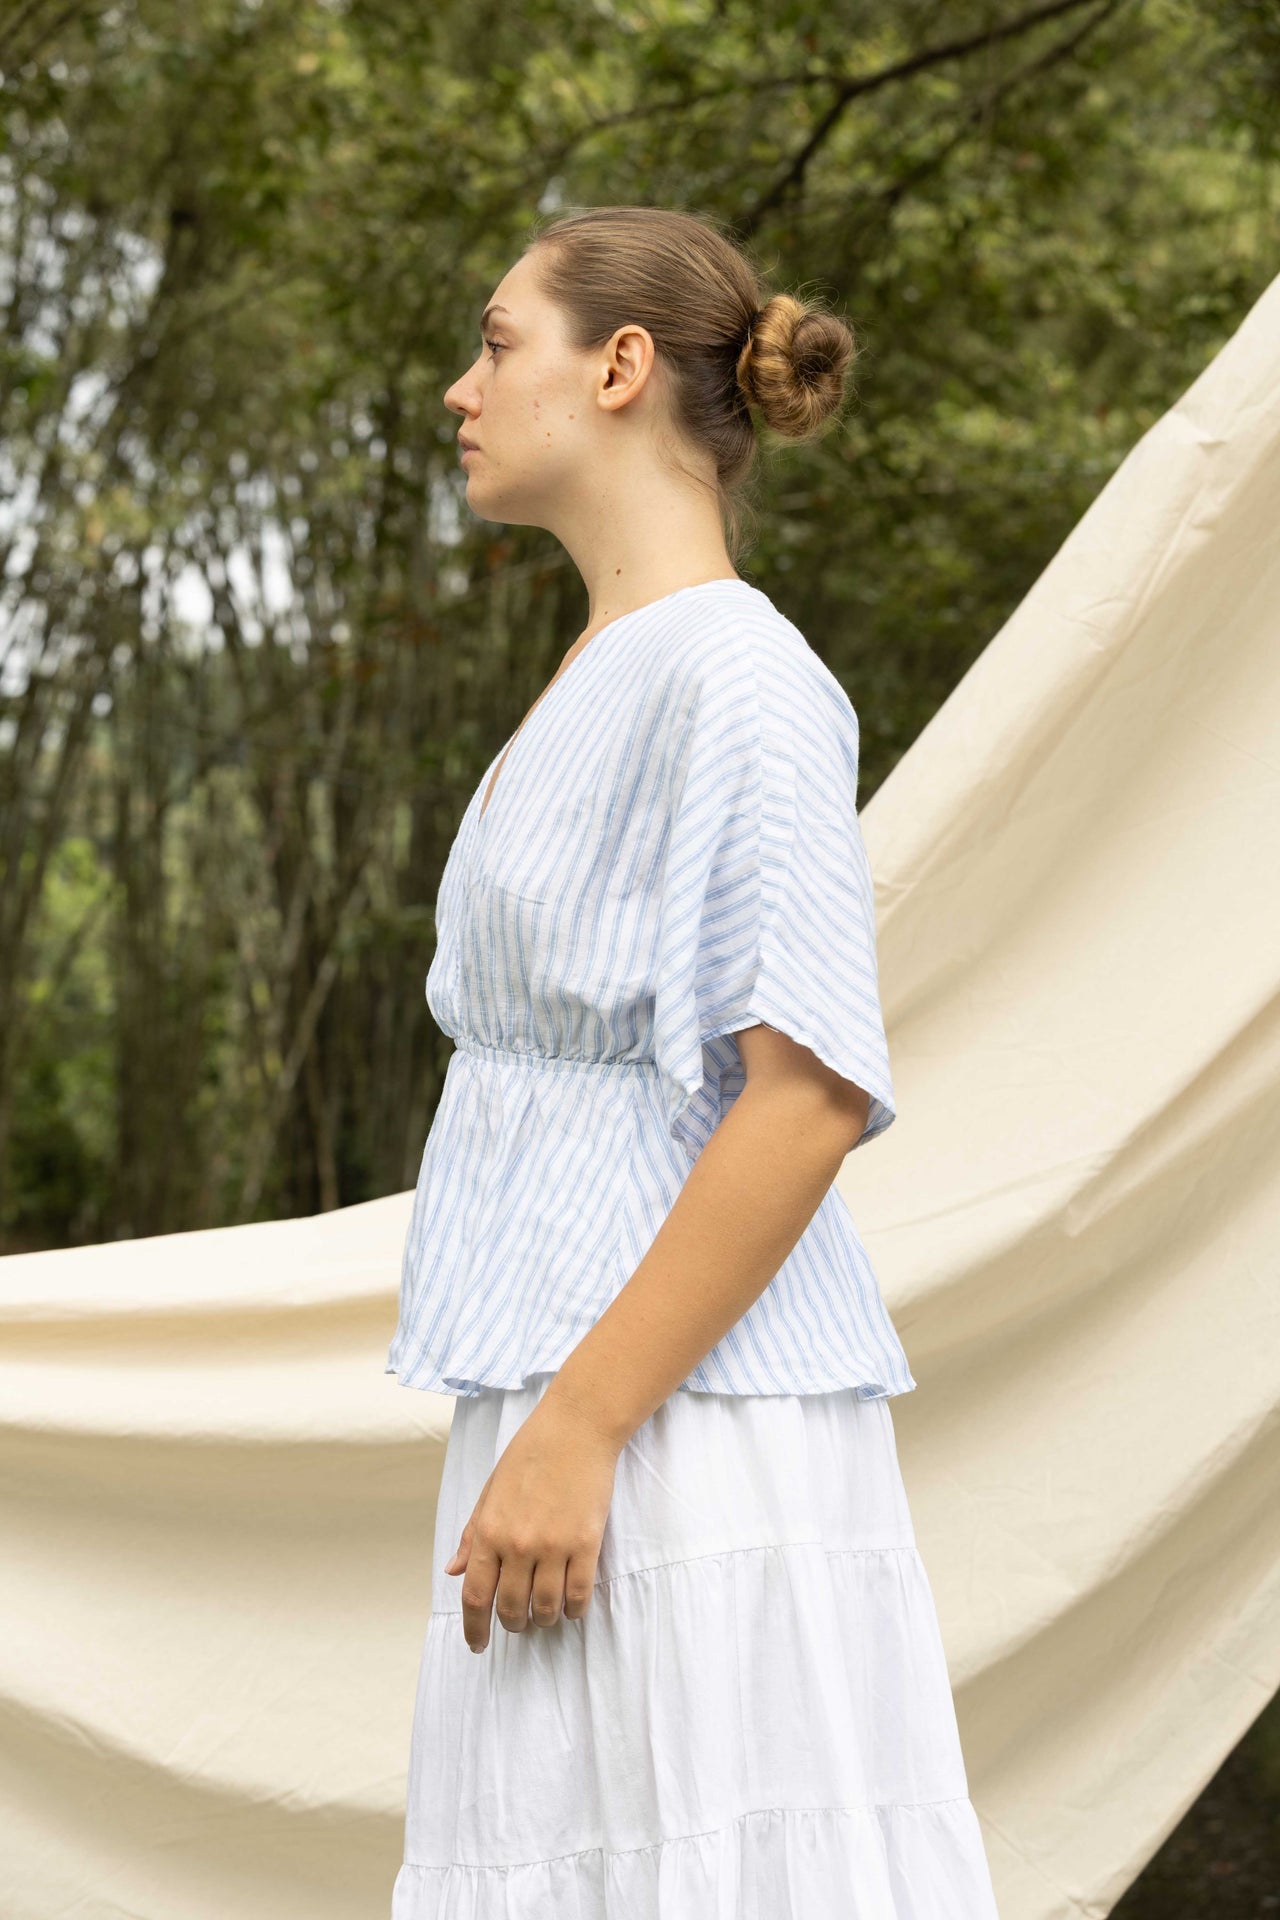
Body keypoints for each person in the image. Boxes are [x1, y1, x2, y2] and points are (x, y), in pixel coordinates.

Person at [386, 203, 1001, 1918]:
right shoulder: (614, 661)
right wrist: (550, 1424)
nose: (461, 390)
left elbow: (805, 1097)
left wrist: (582, 1427)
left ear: (622, 366)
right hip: (570, 1393)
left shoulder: (739, 675)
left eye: (495, 344)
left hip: (672, 1427)